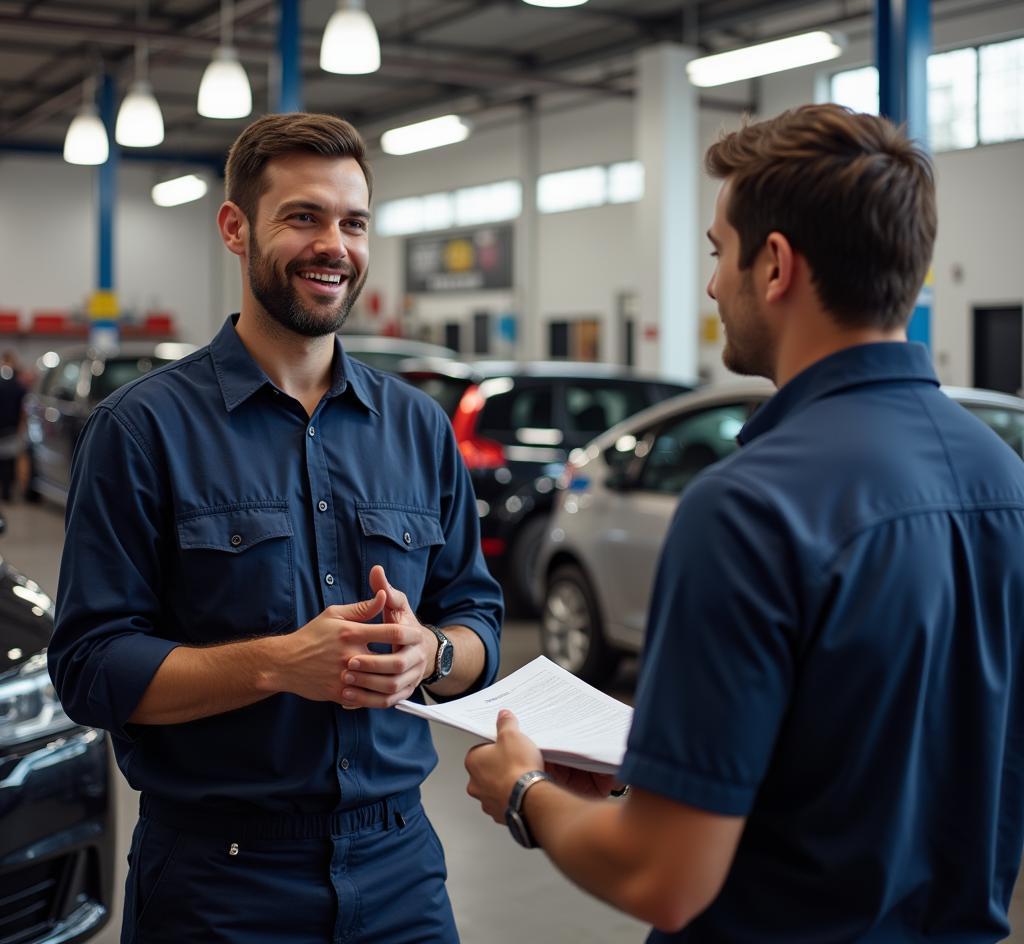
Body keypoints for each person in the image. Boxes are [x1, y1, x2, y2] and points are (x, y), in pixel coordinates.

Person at [465, 104, 1024, 941]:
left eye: (718, 252)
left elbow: (665, 878)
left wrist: (523, 790)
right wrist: (655, 782)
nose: (711, 284)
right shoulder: (1005, 479)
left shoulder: (747, 508)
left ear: (775, 266)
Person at [48, 112, 503, 944]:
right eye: (303, 217)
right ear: (236, 228)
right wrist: (278, 665)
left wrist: (429, 654)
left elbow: (477, 619)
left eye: (353, 222)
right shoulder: (142, 430)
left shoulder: (417, 428)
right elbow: (89, 668)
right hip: (219, 883)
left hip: (401, 870)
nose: (334, 244)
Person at [0, 350, 27, 502]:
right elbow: (23, 408)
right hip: (11, 428)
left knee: (7, 461)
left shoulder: (15, 385)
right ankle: (7, 492)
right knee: (8, 461)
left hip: (8, 429)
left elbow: (23, 408)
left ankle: (6, 491)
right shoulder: (18, 385)